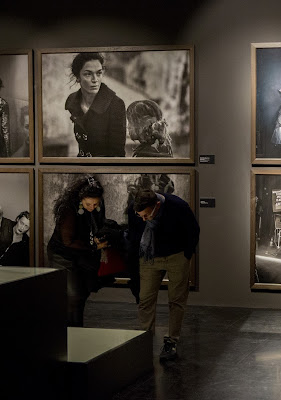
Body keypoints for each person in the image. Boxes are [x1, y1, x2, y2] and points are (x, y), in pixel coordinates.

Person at [128, 188, 199, 361]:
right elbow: (133, 234)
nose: (143, 219)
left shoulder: (177, 206)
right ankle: (145, 339)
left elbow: (193, 230)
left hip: (176, 256)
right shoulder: (135, 209)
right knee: (145, 299)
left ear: (157, 205)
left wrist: (186, 255)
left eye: (146, 215)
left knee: (176, 300)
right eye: (140, 216)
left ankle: (171, 341)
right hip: (149, 257)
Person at [47, 176, 108, 327]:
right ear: (81, 198)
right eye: (88, 204)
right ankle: (66, 330)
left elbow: (99, 224)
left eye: (96, 204)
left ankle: (77, 327)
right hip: (62, 255)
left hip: (83, 254)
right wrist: (94, 246)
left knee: (82, 293)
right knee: (72, 295)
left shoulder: (98, 204)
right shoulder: (69, 209)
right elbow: (68, 241)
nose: (92, 207)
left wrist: (100, 239)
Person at [65, 52, 126, 157]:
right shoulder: (73, 101)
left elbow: (117, 154)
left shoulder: (115, 104)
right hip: (82, 168)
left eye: (99, 73)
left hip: (105, 170)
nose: (95, 80)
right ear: (78, 77)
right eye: (88, 74)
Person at [0, 78, 10, 157]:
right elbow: (5, 129)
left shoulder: (2, 103)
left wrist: (8, 154)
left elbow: (5, 129)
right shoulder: (3, 103)